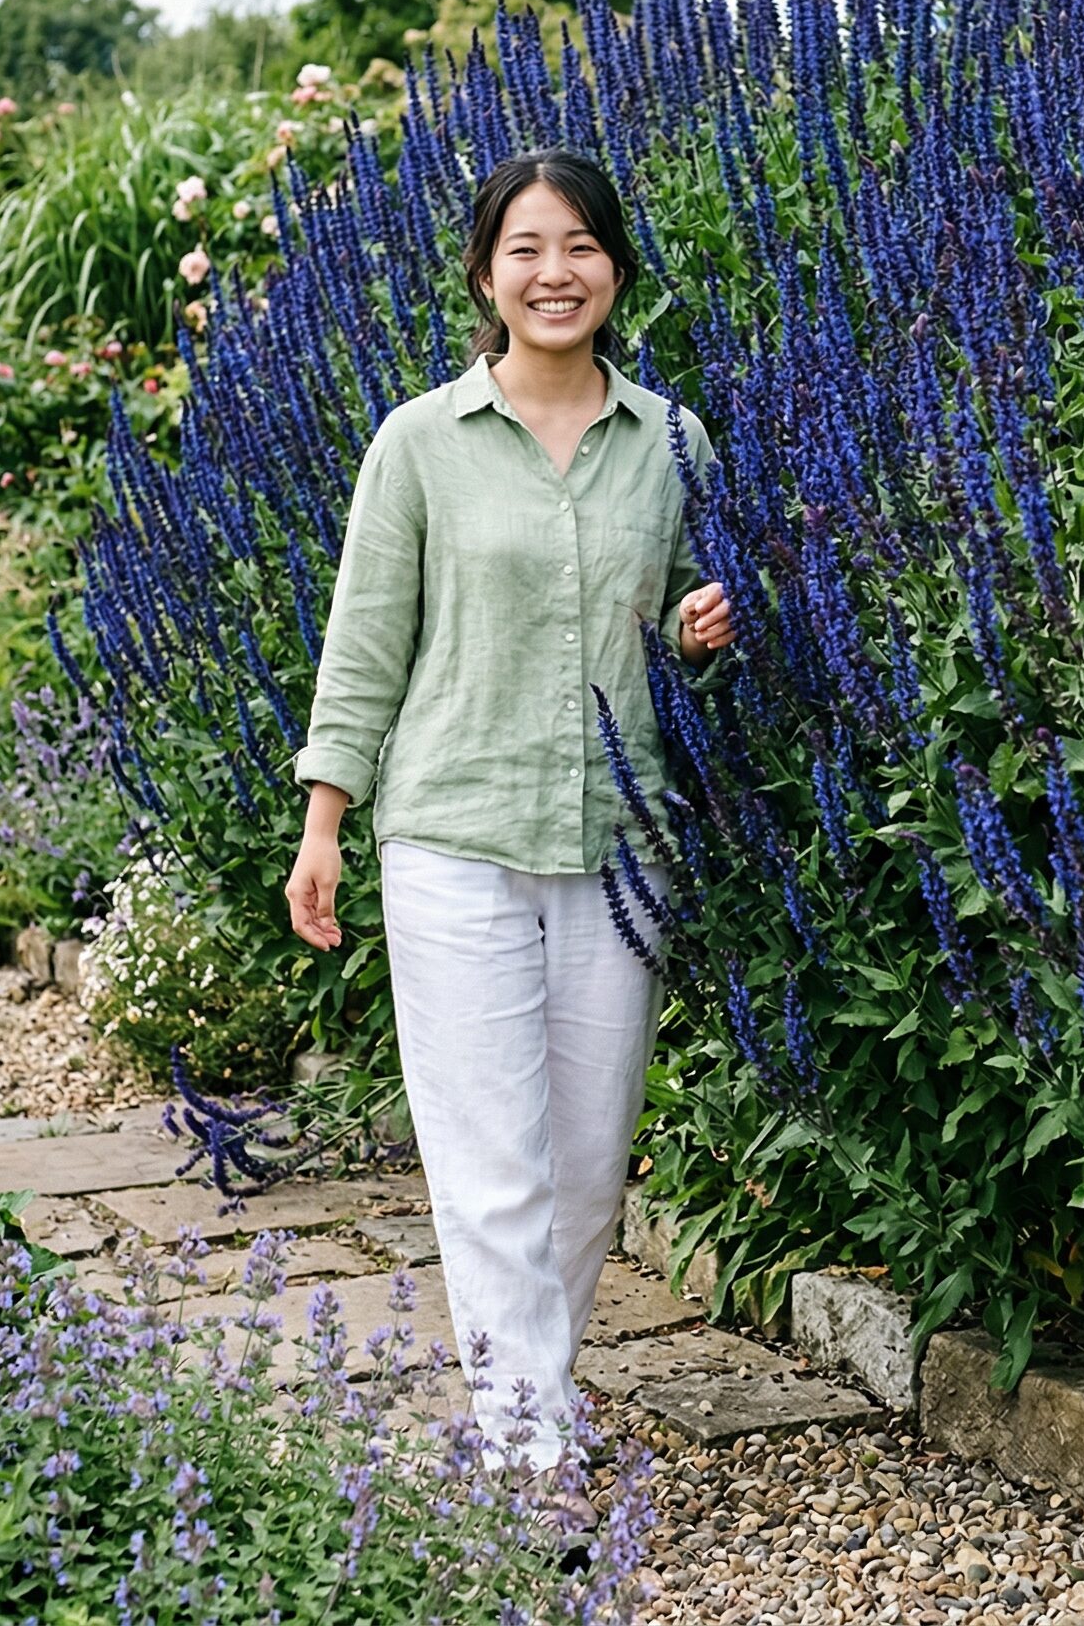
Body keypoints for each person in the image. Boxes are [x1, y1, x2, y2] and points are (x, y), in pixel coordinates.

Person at [285, 145, 734, 1539]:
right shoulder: (419, 442)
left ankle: (531, 1394)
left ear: (616, 269)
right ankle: (530, 1453)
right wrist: (325, 823)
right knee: (490, 1158)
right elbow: (368, 643)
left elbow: (686, 636)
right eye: (527, 249)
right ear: (484, 274)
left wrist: (705, 636)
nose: (557, 273)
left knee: (589, 1160)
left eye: (582, 246)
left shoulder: (674, 442)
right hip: (455, 834)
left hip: (620, 839)